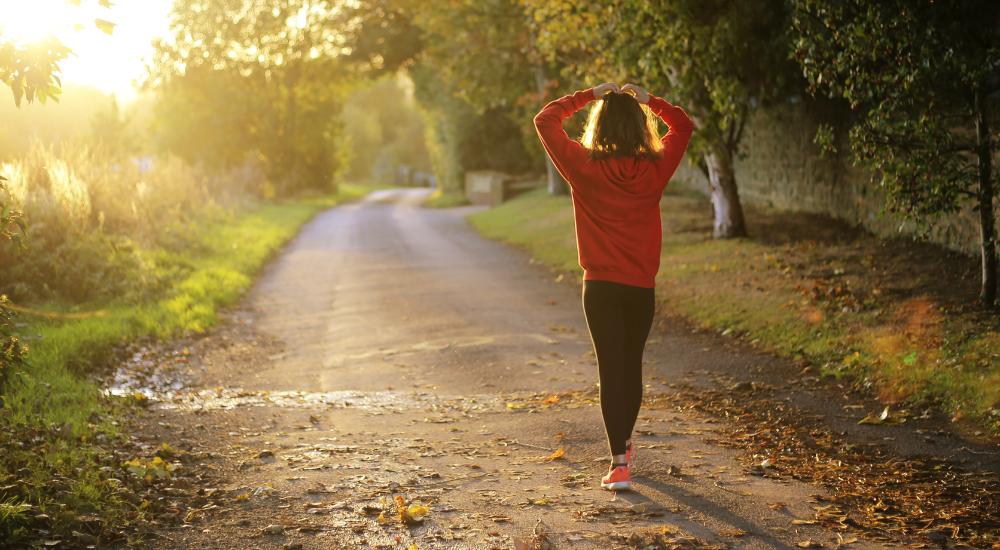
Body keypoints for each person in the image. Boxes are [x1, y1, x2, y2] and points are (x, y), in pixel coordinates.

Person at [533, 82, 693, 491]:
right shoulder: (655, 167)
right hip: (640, 287)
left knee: (611, 369)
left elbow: (545, 120)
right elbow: (683, 125)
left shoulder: (583, 166)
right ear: (641, 127)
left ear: (599, 126)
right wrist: (649, 100)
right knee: (631, 365)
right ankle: (623, 448)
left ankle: (619, 461)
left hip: (600, 287)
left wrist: (589, 95)